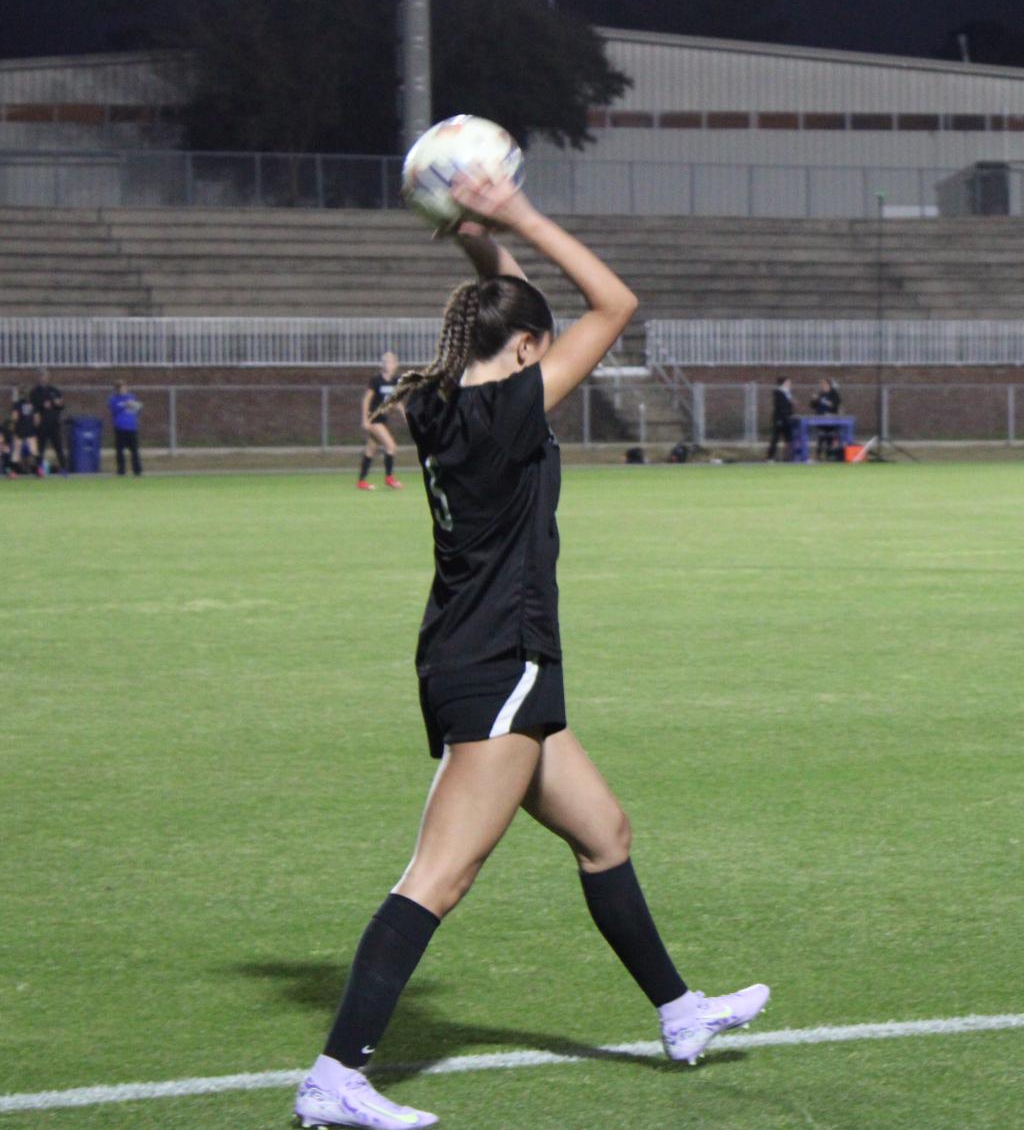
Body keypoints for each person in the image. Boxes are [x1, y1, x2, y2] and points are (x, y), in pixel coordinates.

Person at [292, 171, 767, 1130]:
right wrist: (516, 216)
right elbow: (616, 304)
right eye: (539, 349)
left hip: (488, 654)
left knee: (604, 833)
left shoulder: (433, 399)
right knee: (439, 875)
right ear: (524, 353)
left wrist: (476, 241)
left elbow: (504, 308)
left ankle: (679, 1013)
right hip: (498, 660)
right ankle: (335, 1077)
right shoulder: (510, 408)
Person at [359, 352, 404, 491]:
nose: (388, 364)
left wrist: (406, 416)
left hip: (383, 420)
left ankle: (361, 481)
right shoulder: (376, 380)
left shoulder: (396, 381)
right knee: (391, 446)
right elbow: (366, 400)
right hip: (374, 419)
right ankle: (389, 478)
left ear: (396, 365)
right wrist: (365, 420)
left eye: (391, 362)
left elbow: (397, 402)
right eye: (385, 361)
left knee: (370, 450)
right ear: (381, 364)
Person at [29, 369, 65, 476]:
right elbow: (33, 406)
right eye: (41, 376)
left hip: (54, 424)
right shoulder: (35, 392)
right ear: (38, 378)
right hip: (42, 425)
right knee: (40, 448)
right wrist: (42, 406)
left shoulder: (54, 390)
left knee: (58, 447)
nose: (43, 378)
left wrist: (58, 403)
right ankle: (39, 470)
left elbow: (61, 405)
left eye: (44, 376)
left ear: (48, 378)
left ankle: (63, 468)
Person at [108, 381, 144, 477]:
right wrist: (123, 405)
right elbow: (113, 409)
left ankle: (137, 470)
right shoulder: (113, 399)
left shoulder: (131, 397)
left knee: (134, 450)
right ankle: (121, 470)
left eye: (123, 387)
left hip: (131, 427)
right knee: (120, 450)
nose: (122, 390)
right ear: (116, 389)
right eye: (119, 388)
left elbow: (137, 409)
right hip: (120, 427)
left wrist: (135, 406)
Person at [809, 377, 843, 459]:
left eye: (825, 384)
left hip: (831, 420)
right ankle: (818, 455)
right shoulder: (820, 394)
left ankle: (829, 455)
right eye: (822, 384)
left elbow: (834, 404)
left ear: (829, 385)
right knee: (821, 436)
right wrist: (813, 400)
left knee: (830, 437)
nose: (823, 386)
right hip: (821, 419)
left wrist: (822, 401)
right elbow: (813, 406)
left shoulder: (834, 394)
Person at [765, 375, 796, 461]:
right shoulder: (778, 393)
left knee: (788, 439)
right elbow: (780, 407)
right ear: (784, 383)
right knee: (775, 438)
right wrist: (781, 418)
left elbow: (789, 406)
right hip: (780, 419)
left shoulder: (788, 393)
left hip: (788, 419)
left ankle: (788, 457)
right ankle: (770, 457)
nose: (790, 384)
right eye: (788, 382)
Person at [7, 388, 36, 476]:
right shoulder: (30, 404)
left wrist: (13, 424)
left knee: (17, 451)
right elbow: (33, 418)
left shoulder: (18, 404)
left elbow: (15, 417)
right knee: (32, 451)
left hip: (21, 430)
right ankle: (37, 470)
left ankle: (13, 472)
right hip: (27, 430)